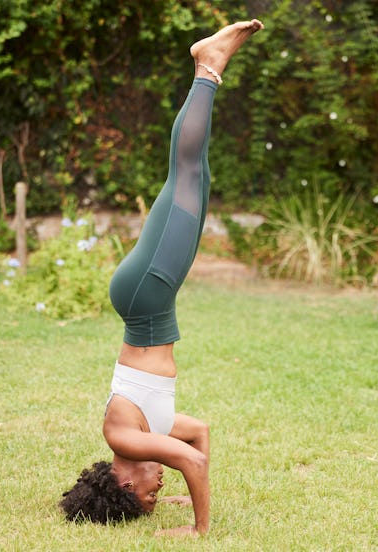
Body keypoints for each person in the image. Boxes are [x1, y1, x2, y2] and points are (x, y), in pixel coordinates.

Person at [60, 19, 264, 537]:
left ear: (124, 484)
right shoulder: (146, 434)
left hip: (146, 294)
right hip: (147, 296)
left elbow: (189, 461)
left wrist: (199, 530)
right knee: (196, 177)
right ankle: (209, 69)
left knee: (187, 173)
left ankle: (207, 66)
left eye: (150, 492)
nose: (156, 487)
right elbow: (198, 437)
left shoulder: (126, 441)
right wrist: (185, 482)